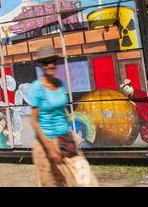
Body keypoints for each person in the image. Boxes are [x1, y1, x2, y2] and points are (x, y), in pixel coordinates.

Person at [29, 46, 98, 187]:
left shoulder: (60, 84)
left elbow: (61, 112)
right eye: (47, 62)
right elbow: (34, 120)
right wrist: (50, 148)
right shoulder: (37, 87)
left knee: (85, 179)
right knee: (54, 183)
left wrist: (71, 134)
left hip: (66, 139)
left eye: (53, 61)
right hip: (46, 142)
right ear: (41, 66)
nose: (51, 65)